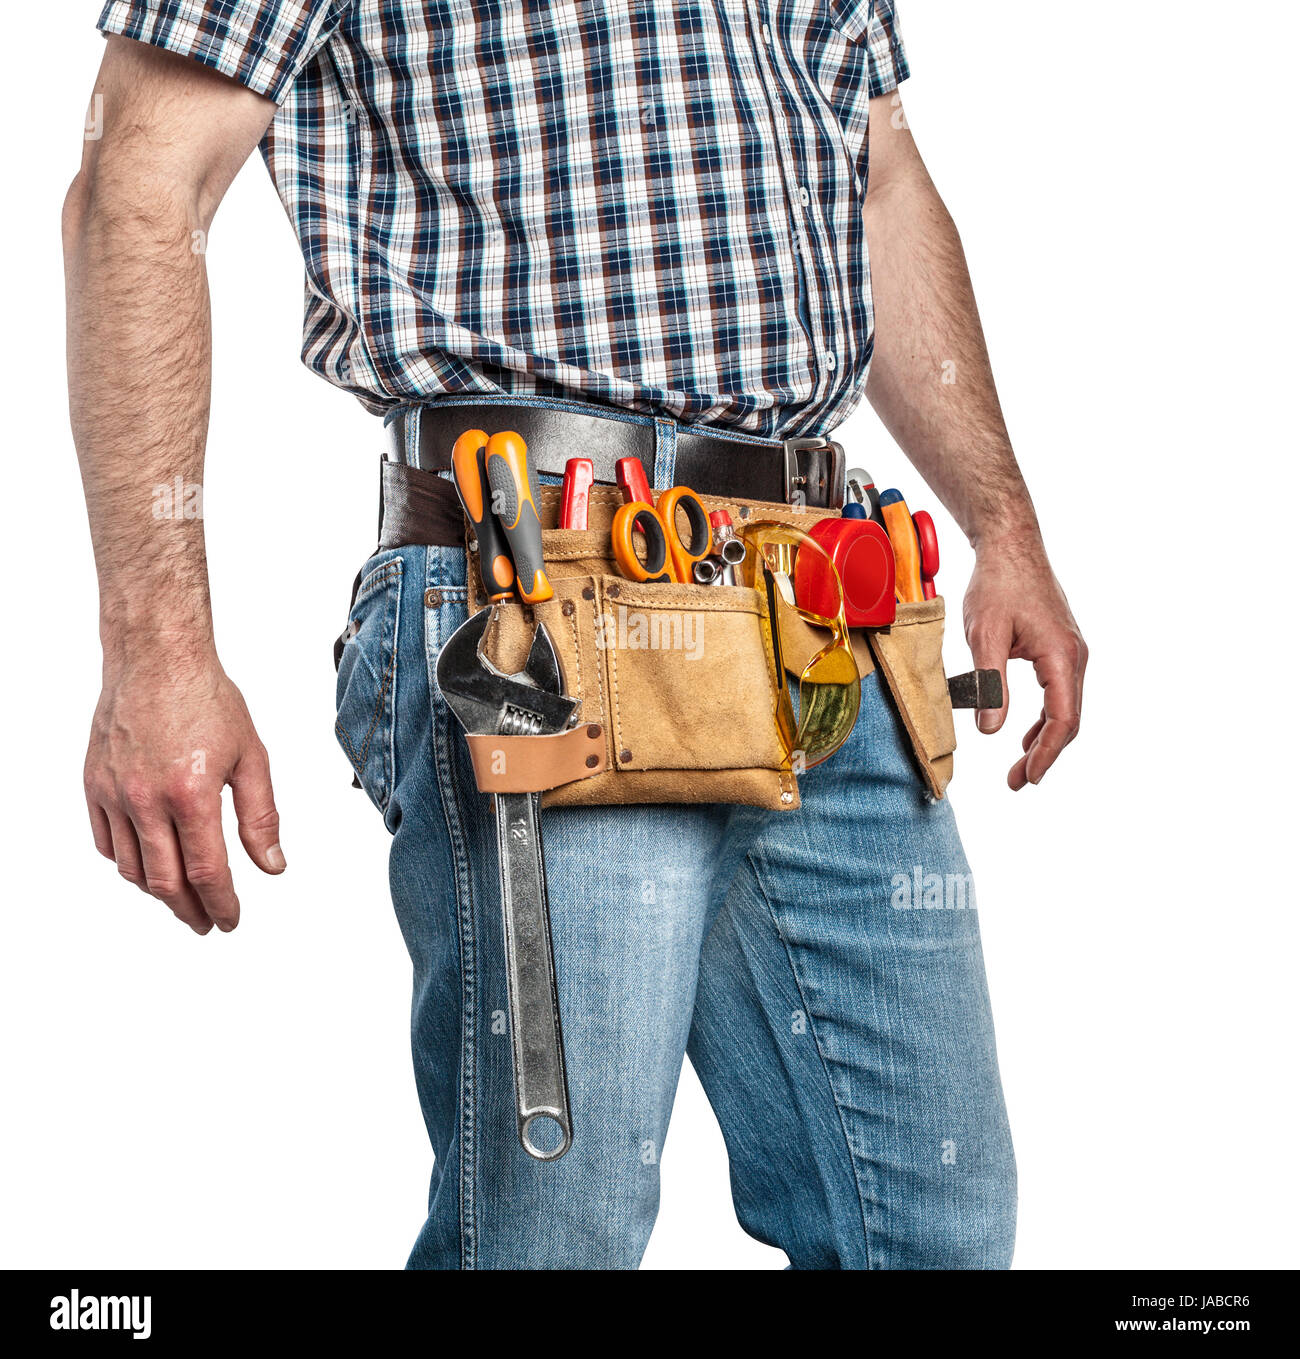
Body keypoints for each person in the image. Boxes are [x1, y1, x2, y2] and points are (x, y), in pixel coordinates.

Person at [66, 2, 1087, 1269]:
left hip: (824, 608)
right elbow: (141, 186)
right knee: (558, 1236)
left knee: (932, 1228)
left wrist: (1005, 525)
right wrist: (156, 650)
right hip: (544, 602)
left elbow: (877, 178)